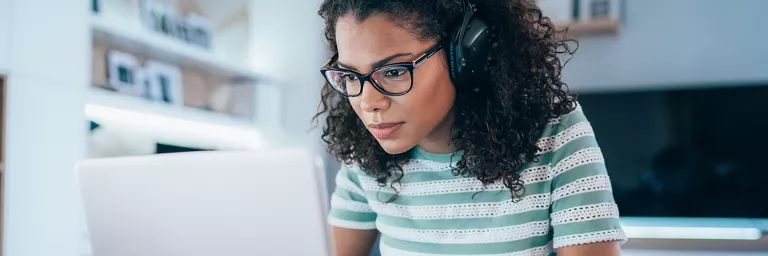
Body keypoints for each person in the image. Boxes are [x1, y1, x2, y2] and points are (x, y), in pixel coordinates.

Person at [314, 0, 627, 255]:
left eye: (394, 71)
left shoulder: (558, 136)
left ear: (464, 55)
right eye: (351, 76)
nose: (368, 103)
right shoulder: (363, 154)